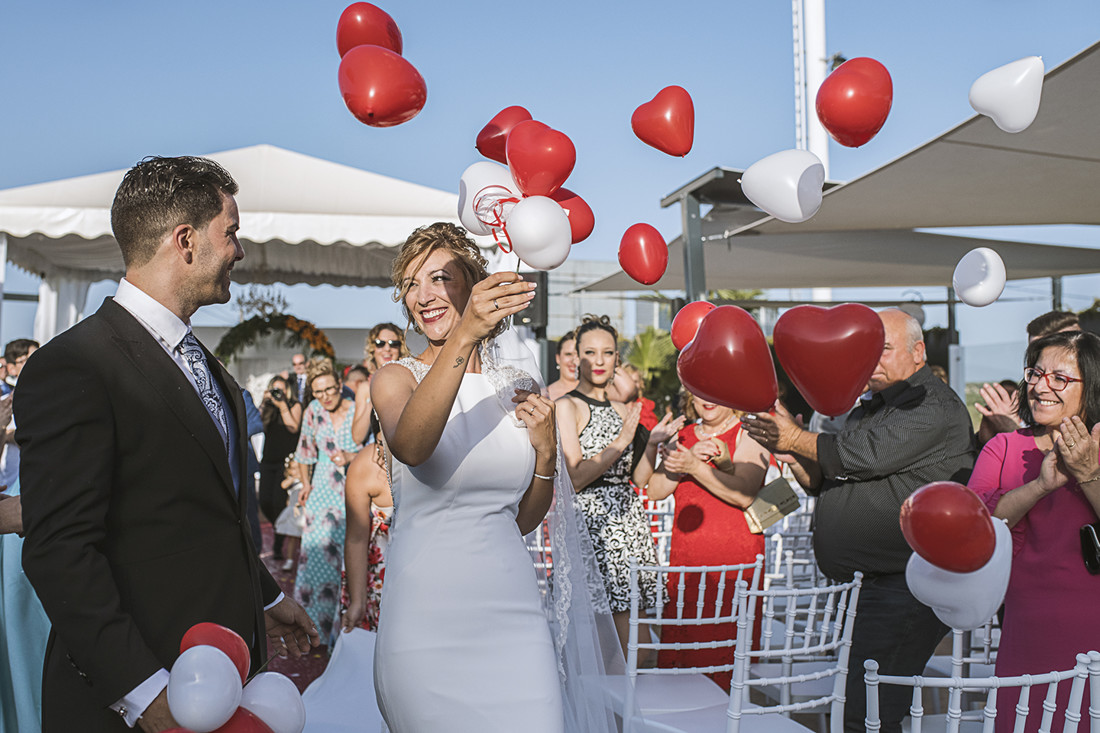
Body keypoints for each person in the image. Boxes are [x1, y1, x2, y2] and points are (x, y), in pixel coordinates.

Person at [14, 155, 318, 733]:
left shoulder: (203, 364)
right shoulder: (75, 365)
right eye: (231, 233)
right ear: (185, 240)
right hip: (140, 694)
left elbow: (201, 513)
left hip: (219, 674)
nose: (240, 251)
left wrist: (269, 600)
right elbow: (60, 551)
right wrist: (146, 694)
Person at [371, 222, 621, 732]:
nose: (425, 296)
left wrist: (547, 453)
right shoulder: (394, 379)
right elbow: (415, 448)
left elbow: (522, 520)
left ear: (473, 283)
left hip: (513, 618)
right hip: (425, 621)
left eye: (440, 278)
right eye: (413, 284)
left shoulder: (520, 386)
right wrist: (464, 335)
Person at [741, 308, 976, 733]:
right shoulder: (872, 405)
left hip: (904, 582)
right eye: (868, 351)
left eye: (883, 349)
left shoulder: (932, 403)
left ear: (918, 352)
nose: (873, 361)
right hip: (871, 582)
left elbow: (863, 455)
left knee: (867, 712)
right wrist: (792, 452)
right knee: (863, 706)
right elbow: (829, 475)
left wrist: (797, 437)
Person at [968, 330, 1100, 733]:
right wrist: (1040, 486)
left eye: (1059, 378)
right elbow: (977, 527)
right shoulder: (1004, 446)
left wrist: (1088, 475)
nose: (1041, 387)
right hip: (1025, 625)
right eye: (1035, 373)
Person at [556, 315, 683, 654]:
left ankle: (629, 708)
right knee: (604, 648)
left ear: (616, 359)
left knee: (639, 647)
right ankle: (609, 709)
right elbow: (576, 476)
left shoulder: (621, 408)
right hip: (592, 528)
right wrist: (623, 440)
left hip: (630, 526)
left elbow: (639, 479)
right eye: (590, 352)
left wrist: (652, 443)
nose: (599, 361)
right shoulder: (567, 406)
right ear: (576, 358)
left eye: (608, 353)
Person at [645, 389, 770, 689]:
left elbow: (743, 494)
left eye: (718, 389)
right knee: (685, 654)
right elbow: (655, 490)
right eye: (700, 390)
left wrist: (694, 467)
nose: (709, 397)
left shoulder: (749, 432)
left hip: (733, 564)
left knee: (725, 656)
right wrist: (679, 465)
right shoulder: (684, 434)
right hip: (688, 560)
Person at [293, 357, 362, 644]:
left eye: (330, 390)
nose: (325, 397)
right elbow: (304, 451)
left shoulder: (358, 409)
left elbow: (376, 450)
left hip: (353, 494)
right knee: (317, 561)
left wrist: (351, 457)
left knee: (348, 563)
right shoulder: (312, 410)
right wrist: (306, 484)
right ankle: (315, 632)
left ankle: (343, 634)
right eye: (318, 392)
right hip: (321, 494)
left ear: (339, 384)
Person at [977, 311, 1083, 445]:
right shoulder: (1030, 401)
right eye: (1033, 352)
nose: (1040, 387)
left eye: (1059, 378)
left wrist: (1012, 431)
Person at [258, 375, 302, 567]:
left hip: (285, 463)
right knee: (265, 501)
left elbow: (293, 427)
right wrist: (265, 402)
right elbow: (256, 422)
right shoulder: (269, 407)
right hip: (268, 460)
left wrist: (283, 405)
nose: (278, 394)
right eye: (274, 389)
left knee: (278, 502)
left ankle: (278, 541)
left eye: (281, 390)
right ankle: (280, 529)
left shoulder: (294, 405)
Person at [351, 323, 410, 445]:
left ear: (401, 349)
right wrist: (374, 397)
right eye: (380, 343)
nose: (387, 349)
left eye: (394, 344)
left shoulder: (410, 381)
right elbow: (357, 438)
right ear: (373, 349)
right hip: (376, 456)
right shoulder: (365, 388)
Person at [0, 339, 37, 490]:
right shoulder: (5, 404)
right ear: (12, 368)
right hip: (8, 486)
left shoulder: (44, 399)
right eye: (28, 359)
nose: (37, 362)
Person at [547, 330, 578, 401]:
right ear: (558, 358)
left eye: (578, 355)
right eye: (568, 354)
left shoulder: (600, 394)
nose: (574, 361)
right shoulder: (542, 395)